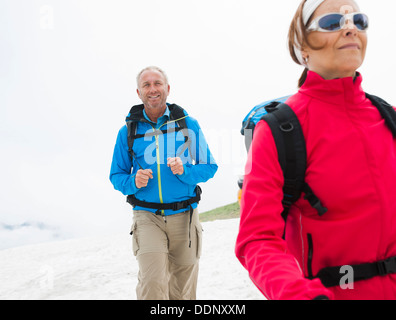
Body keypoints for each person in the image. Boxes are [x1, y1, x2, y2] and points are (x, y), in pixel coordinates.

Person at [235, 0, 396, 300]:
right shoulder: (280, 130)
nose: (350, 29)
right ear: (302, 47)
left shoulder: (390, 117)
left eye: (359, 21)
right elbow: (257, 239)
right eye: (334, 22)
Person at [110, 66, 218, 300]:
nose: (152, 89)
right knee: (152, 283)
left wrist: (185, 171)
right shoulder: (127, 131)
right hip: (147, 217)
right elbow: (117, 176)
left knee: (182, 288)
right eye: (146, 85)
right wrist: (133, 181)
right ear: (138, 93)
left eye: (157, 83)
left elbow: (209, 166)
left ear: (167, 89)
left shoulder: (188, 125)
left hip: (185, 216)